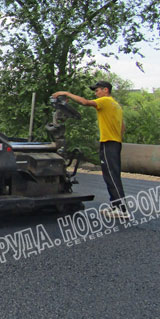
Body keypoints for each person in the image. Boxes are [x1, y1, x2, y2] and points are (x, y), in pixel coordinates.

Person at [51, 80, 128, 219]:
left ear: (106, 90)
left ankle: (121, 208)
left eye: (97, 90)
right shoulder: (116, 105)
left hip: (109, 142)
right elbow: (123, 127)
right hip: (115, 142)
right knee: (111, 174)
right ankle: (115, 205)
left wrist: (66, 93)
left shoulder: (105, 101)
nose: (96, 93)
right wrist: (118, 138)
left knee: (111, 175)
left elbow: (85, 102)